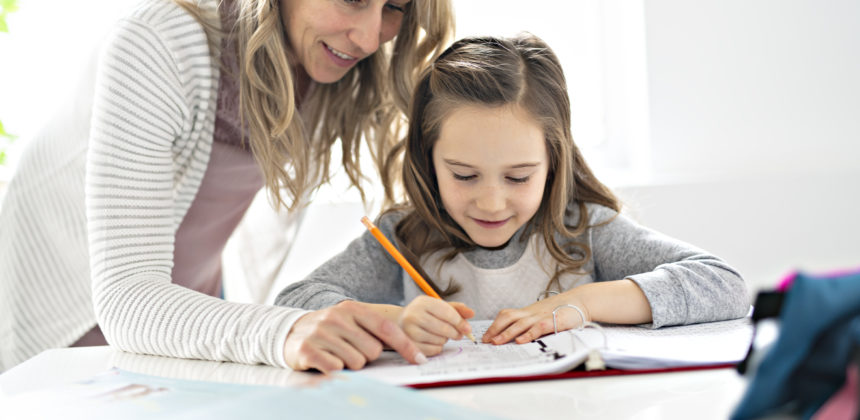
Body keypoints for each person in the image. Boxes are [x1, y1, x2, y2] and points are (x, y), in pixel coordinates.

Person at [0, 0, 454, 373]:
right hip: (68, 320)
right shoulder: (157, 42)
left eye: (393, 7)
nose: (370, 38)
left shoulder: (332, 68)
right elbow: (127, 299)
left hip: (189, 312)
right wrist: (286, 329)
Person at [275, 34, 751, 357]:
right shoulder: (403, 238)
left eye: (519, 177)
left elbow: (723, 284)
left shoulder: (580, 228)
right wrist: (392, 322)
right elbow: (292, 303)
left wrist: (579, 304)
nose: (492, 203)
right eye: (463, 175)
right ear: (428, 158)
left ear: (553, 162)